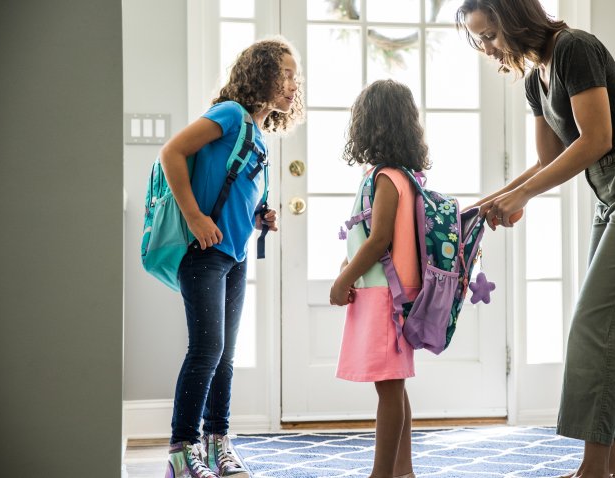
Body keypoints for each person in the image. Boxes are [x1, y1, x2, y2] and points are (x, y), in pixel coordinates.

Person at [456, 1, 615, 478]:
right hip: (612, 196)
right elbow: (548, 160)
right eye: (477, 40)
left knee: (594, 325)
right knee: (614, 333)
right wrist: (491, 202)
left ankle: (594, 471)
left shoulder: (574, 49)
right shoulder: (532, 80)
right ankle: (605, 471)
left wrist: (519, 196)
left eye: (489, 35)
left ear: (514, 18)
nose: (486, 48)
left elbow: (597, 138)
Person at [159, 36, 304, 478]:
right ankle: (182, 453)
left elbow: (235, 186)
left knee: (224, 354)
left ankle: (218, 444)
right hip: (204, 250)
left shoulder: (256, 132)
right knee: (207, 349)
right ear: (260, 73)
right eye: (285, 74)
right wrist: (195, 217)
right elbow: (173, 152)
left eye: (296, 76)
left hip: (233, 254)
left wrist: (261, 214)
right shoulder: (229, 114)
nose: (293, 85)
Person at [329, 79, 428, 478]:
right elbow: (368, 237)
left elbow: (380, 238)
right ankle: (401, 470)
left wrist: (343, 279)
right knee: (392, 385)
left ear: (370, 126)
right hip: (385, 293)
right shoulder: (398, 175)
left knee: (389, 388)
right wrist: (347, 266)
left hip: (385, 297)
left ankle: (381, 474)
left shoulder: (387, 177)